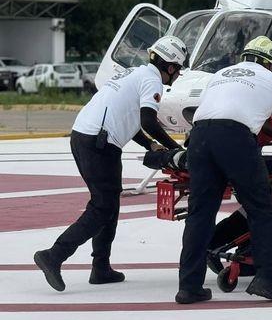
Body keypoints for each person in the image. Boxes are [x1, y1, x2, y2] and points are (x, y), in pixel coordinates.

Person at [34, 36, 188, 291]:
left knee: (109, 202)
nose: (178, 75)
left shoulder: (133, 73)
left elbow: (130, 118)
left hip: (85, 135)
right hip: (99, 143)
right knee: (102, 207)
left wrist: (150, 145)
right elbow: (148, 121)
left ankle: (101, 267)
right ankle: (54, 255)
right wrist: (176, 149)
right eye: (178, 69)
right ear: (170, 66)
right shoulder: (151, 80)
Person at [176, 39, 272, 304]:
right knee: (261, 209)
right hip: (234, 138)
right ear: (271, 63)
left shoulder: (221, 74)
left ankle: (189, 286)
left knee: (200, 213)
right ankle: (267, 279)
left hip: (199, 137)